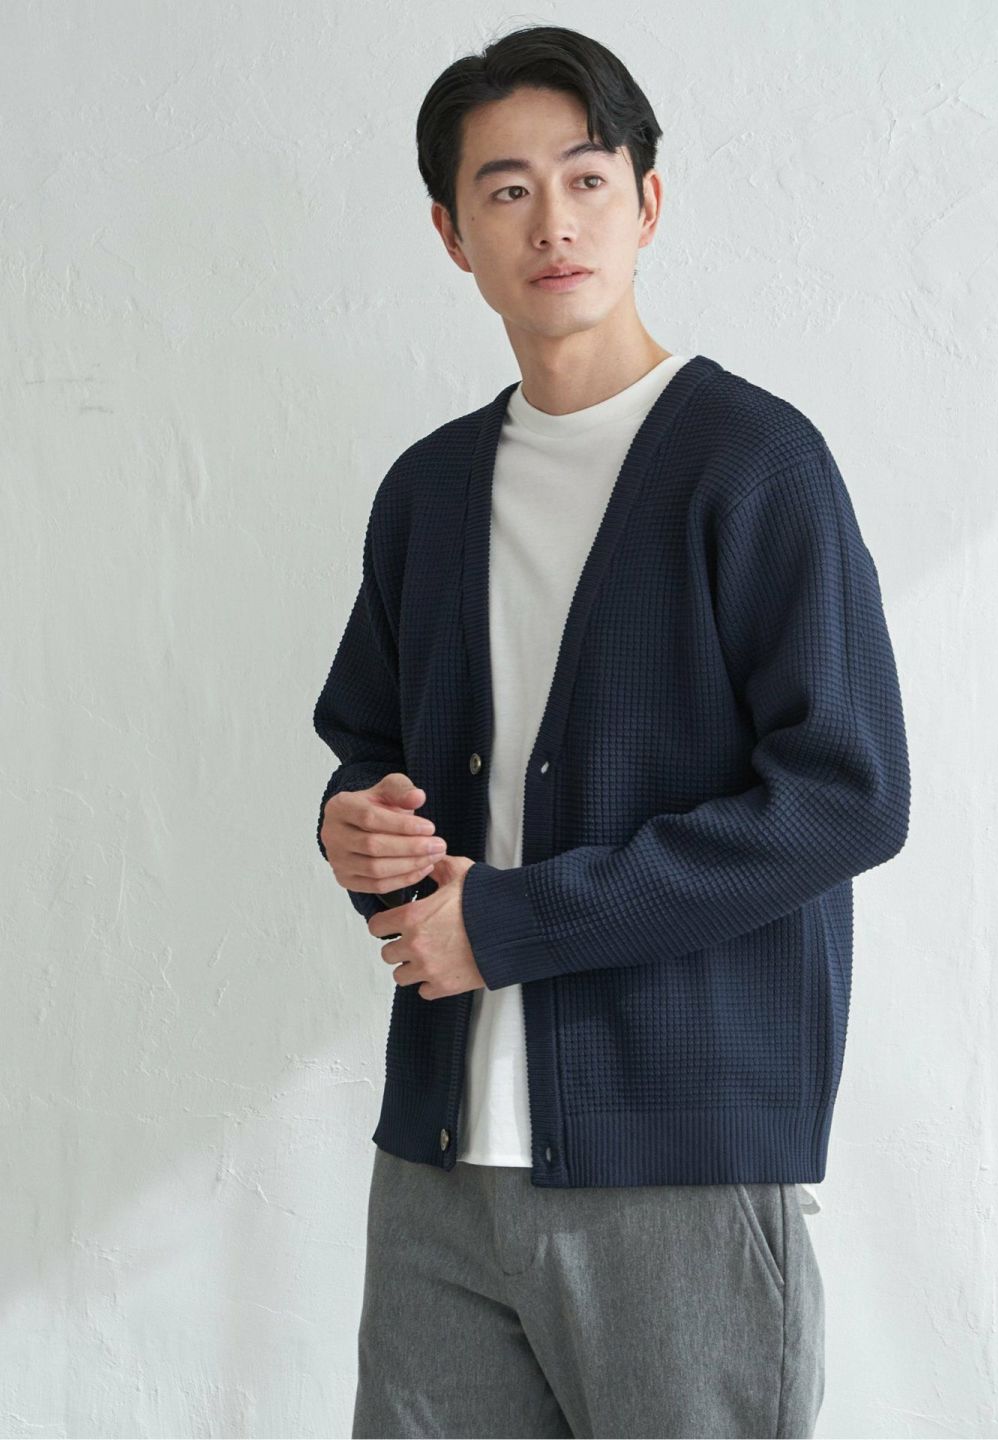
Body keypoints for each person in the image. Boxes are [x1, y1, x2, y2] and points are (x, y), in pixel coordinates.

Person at [313, 24, 911, 1439]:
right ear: (453, 233)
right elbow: (366, 746)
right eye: (508, 189)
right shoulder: (427, 493)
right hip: (441, 1165)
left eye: (587, 179)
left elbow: (847, 795)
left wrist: (512, 923)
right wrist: (353, 827)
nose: (554, 222)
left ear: (647, 202)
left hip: (679, 1161)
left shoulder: (754, 466)